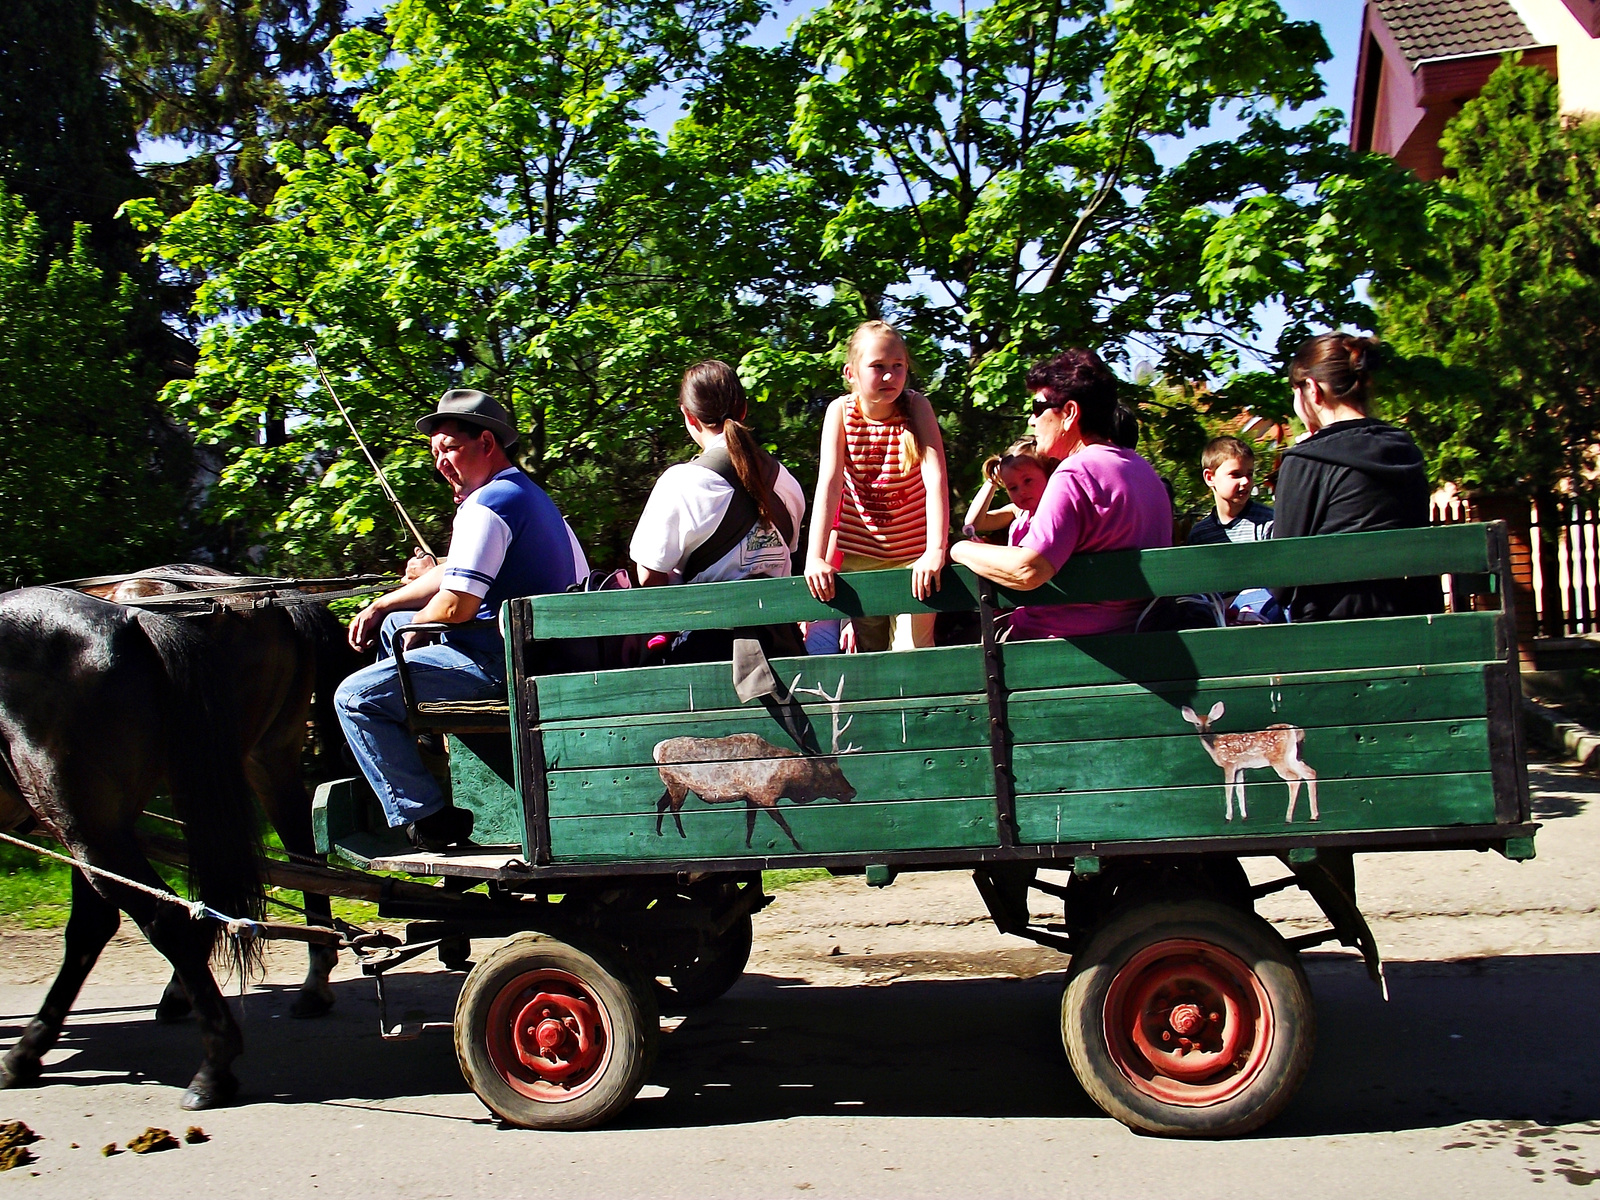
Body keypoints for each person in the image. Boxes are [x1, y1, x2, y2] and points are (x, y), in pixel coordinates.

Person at [335, 389, 581, 851]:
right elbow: (452, 573)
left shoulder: (486, 507)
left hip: (501, 664)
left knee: (354, 697)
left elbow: (455, 607)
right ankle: (421, 735)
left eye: (448, 448)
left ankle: (426, 817)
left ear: (486, 443)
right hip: (532, 652)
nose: (440, 464)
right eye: (435, 454)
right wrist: (384, 605)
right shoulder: (522, 494)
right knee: (391, 626)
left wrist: (418, 627)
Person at [950, 349, 1172, 639]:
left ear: (1069, 414)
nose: (1032, 420)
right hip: (1142, 640)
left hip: (1063, 651)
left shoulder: (1075, 473)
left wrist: (958, 548)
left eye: (1038, 407)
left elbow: (1028, 570)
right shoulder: (1142, 469)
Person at [630, 360, 807, 661]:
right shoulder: (787, 483)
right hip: (781, 649)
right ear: (744, 409)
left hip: (707, 652)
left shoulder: (679, 483)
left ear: (688, 416)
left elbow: (649, 576)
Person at [803, 321, 949, 652]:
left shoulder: (916, 407)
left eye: (898, 366)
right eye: (878, 367)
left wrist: (935, 551)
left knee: (912, 652)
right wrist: (815, 557)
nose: (889, 376)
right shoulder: (840, 412)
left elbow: (935, 476)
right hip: (861, 560)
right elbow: (829, 484)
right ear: (851, 373)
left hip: (914, 562)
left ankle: (919, 706)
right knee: (872, 656)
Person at [1273, 333, 1438, 621]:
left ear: (1312, 389)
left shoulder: (1304, 460)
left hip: (1328, 637)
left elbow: (1280, 581)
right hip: (1410, 627)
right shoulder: (1406, 450)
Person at [963, 437, 1053, 544]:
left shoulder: (1054, 509)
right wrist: (993, 481)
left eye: (1028, 481)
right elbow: (973, 524)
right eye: (1012, 488)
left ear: (1049, 474)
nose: (1021, 492)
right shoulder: (1019, 512)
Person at [1188, 436, 1274, 546]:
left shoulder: (1268, 523)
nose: (1245, 481)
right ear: (1210, 478)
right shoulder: (1200, 535)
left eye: (1250, 474)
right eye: (1235, 474)